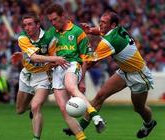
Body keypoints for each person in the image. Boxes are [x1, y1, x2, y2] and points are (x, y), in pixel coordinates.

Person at [63, 11, 157, 139]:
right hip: (124, 71)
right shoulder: (116, 29)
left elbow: (90, 63)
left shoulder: (108, 42)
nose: (100, 25)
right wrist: (91, 30)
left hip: (139, 76)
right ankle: (78, 129)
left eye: (104, 23)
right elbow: (101, 31)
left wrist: (78, 76)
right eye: (100, 22)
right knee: (100, 96)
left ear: (113, 25)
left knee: (139, 108)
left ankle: (149, 124)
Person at [44, 3, 106, 140]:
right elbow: (41, 48)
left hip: (72, 65)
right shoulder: (51, 33)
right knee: (64, 109)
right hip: (56, 70)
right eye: (50, 21)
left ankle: (96, 117)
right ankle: (81, 138)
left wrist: (82, 80)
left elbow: (85, 59)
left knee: (71, 87)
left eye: (55, 19)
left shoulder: (78, 32)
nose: (53, 23)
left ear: (63, 16)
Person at [14, 12, 68, 140]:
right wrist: (54, 58)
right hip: (26, 74)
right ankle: (33, 105)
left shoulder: (49, 38)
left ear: (38, 25)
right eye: (25, 25)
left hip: (44, 76)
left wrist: (54, 61)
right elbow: (34, 57)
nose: (27, 28)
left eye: (30, 24)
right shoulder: (22, 37)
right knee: (20, 110)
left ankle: (36, 138)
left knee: (36, 106)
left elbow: (56, 60)